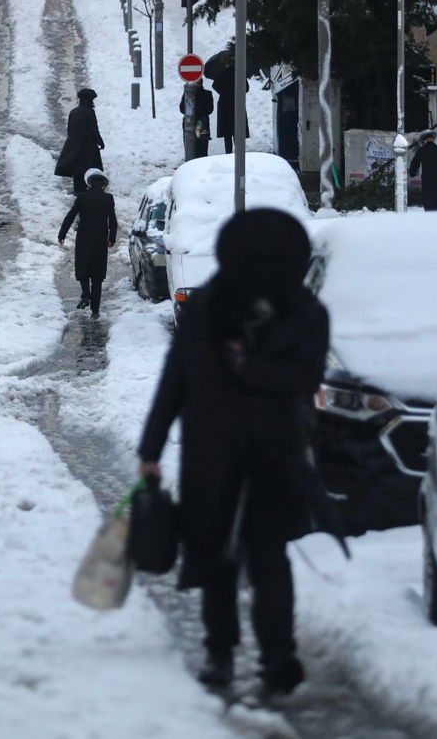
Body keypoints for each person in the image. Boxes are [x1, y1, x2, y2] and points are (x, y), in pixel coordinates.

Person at [137, 209, 342, 702]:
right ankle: (233, 653)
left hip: (252, 452)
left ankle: (267, 656)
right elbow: (178, 376)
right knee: (229, 558)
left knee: (251, 559)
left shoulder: (291, 313)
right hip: (238, 450)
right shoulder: (248, 309)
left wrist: (242, 365)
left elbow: (301, 379)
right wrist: (150, 446)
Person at [58, 168, 116, 319]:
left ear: (89, 184)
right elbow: (113, 221)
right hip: (100, 239)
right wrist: (112, 238)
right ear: (103, 185)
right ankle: (95, 311)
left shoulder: (82, 197)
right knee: (97, 275)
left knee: (83, 267)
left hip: (84, 238)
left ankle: (85, 294)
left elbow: (71, 216)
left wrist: (62, 233)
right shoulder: (108, 199)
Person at [54, 88, 104, 193]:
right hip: (88, 146)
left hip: (74, 145)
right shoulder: (89, 112)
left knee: (77, 169)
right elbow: (93, 128)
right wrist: (100, 141)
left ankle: (78, 189)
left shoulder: (73, 111)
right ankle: (90, 188)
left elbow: (69, 129)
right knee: (90, 168)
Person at [408, 129, 437, 211]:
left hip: (426, 179)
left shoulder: (421, 150)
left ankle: (429, 219)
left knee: (428, 199)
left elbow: (414, 164)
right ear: (433, 139)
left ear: (424, 140)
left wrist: (412, 173)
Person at [212, 52, 248, 154]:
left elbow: (215, 86)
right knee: (238, 131)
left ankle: (228, 153)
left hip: (225, 105)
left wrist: (223, 92)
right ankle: (239, 152)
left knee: (227, 133)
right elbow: (246, 88)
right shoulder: (239, 73)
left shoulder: (222, 74)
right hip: (238, 104)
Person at [180, 79, 213, 162]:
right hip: (200, 123)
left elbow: (182, 109)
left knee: (195, 147)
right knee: (199, 148)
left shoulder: (204, 94)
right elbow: (209, 110)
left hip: (197, 123)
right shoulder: (206, 94)